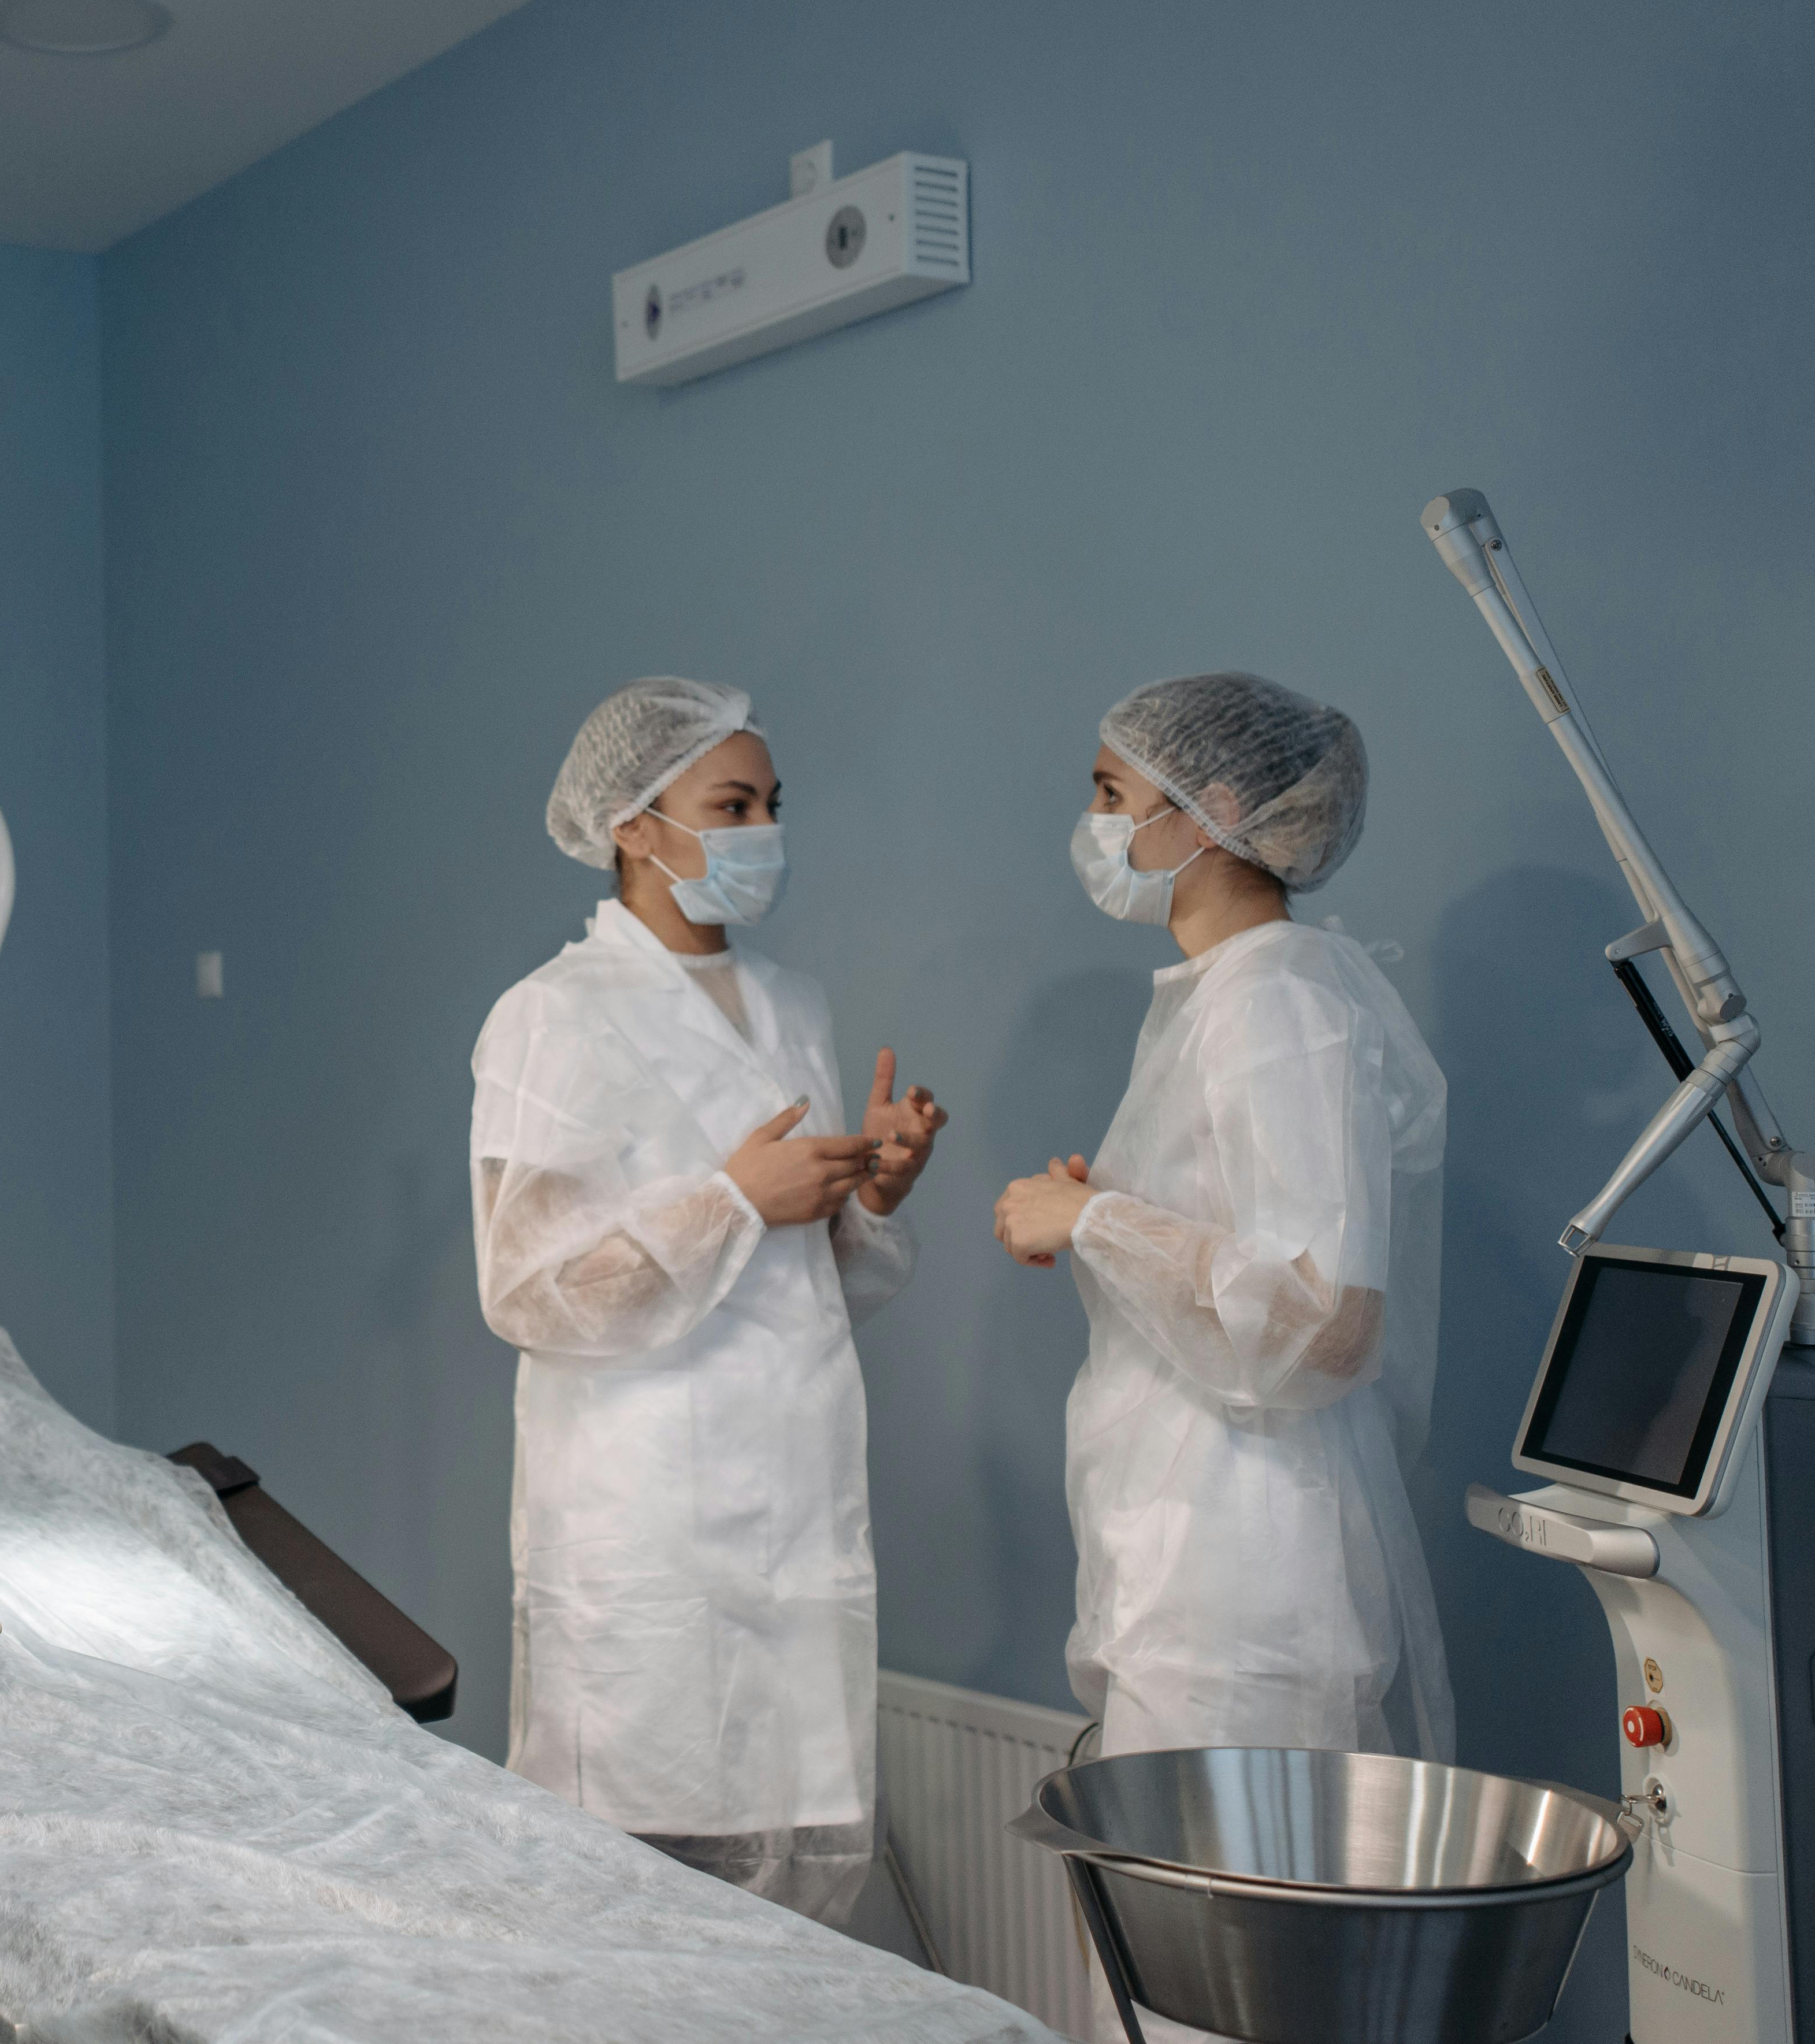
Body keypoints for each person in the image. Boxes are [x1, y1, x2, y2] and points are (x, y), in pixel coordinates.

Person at [469, 676, 947, 1926]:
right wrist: (732, 1200)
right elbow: (529, 1292)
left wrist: (873, 1194)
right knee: (638, 1913)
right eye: (728, 804)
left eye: (769, 805)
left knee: (793, 1915)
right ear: (632, 825)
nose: (759, 833)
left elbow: (819, 1284)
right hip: (646, 1528)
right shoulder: (550, 1016)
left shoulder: (795, 1009)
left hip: (795, 1507)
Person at [992, 671, 1453, 1776]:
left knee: (1223, 1934)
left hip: (1243, 1587)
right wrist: (1111, 1222)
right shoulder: (1228, 993)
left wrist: (1098, 1217)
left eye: (1113, 790)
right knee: (1174, 1931)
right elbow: (1241, 1247)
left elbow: (1328, 1323)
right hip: (1194, 1564)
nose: (1096, 823)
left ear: (1220, 807)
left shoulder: (1274, 1001)